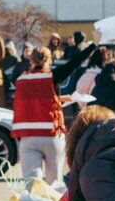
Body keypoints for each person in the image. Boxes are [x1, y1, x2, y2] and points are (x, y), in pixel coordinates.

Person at [12, 37, 95, 184]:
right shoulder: (53, 76)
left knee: (32, 184)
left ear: (31, 60)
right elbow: (75, 63)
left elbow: (34, 99)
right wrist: (93, 44)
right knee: (54, 183)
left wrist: (60, 98)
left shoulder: (21, 80)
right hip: (51, 135)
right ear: (49, 60)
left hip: (27, 137)